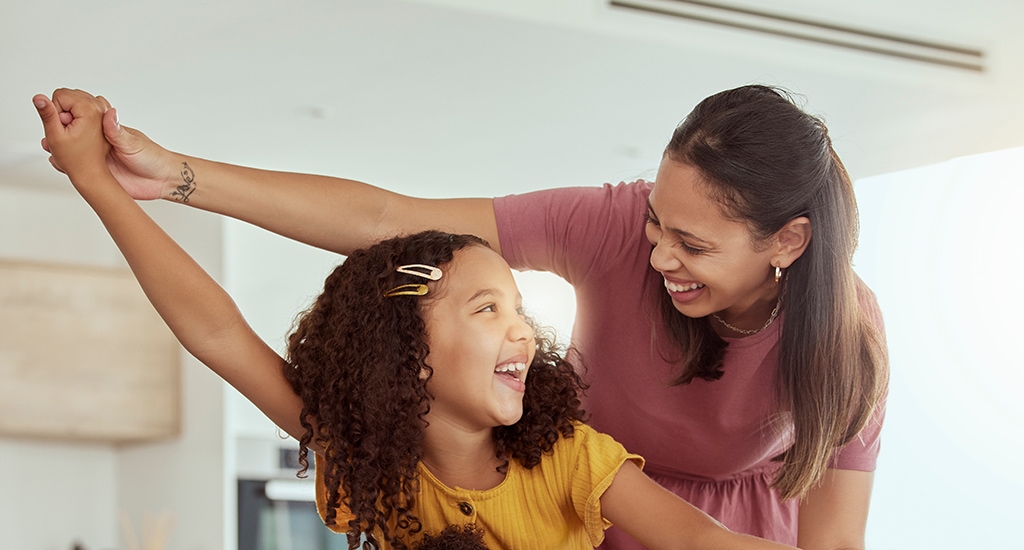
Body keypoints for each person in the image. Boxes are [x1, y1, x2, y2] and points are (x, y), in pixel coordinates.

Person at [36, 84, 889, 549]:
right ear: (409, 356)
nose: (659, 255)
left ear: (786, 242)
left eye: (693, 245)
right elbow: (220, 330)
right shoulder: (370, 454)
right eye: (492, 307)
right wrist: (118, 185)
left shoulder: (569, 461)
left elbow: (707, 543)